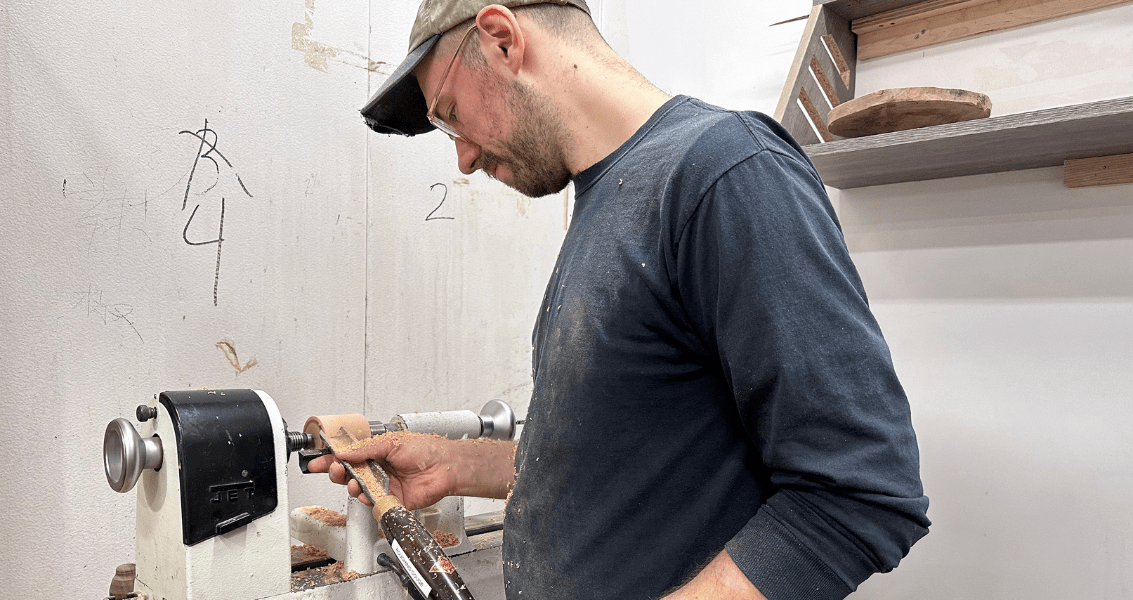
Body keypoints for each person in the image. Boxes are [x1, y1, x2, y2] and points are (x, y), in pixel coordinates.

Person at [308, 1, 931, 599]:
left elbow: (861, 493)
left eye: (450, 115)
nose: (464, 159)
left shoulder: (726, 172)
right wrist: (456, 463)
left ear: (502, 39)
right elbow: (627, 457)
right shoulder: (607, 197)